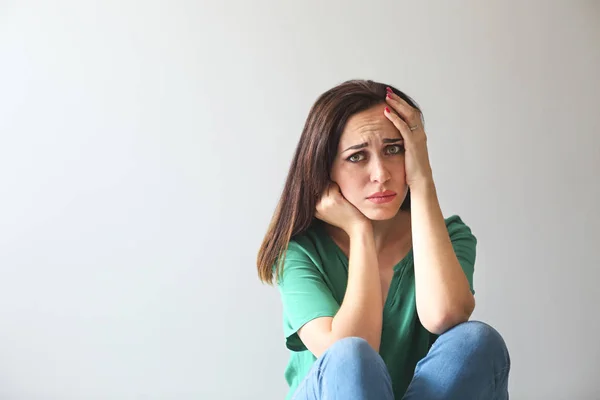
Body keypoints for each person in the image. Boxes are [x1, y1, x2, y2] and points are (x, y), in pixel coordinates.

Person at [256, 79, 510, 400]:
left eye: (394, 149)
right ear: (326, 168)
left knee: (477, 340)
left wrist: (422, 178)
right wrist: (359, 232)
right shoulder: (298, 253)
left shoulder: (450, 236)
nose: (381, 174)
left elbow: (444, 314)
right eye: (357, 156)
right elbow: (349, 361)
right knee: (349, 354)